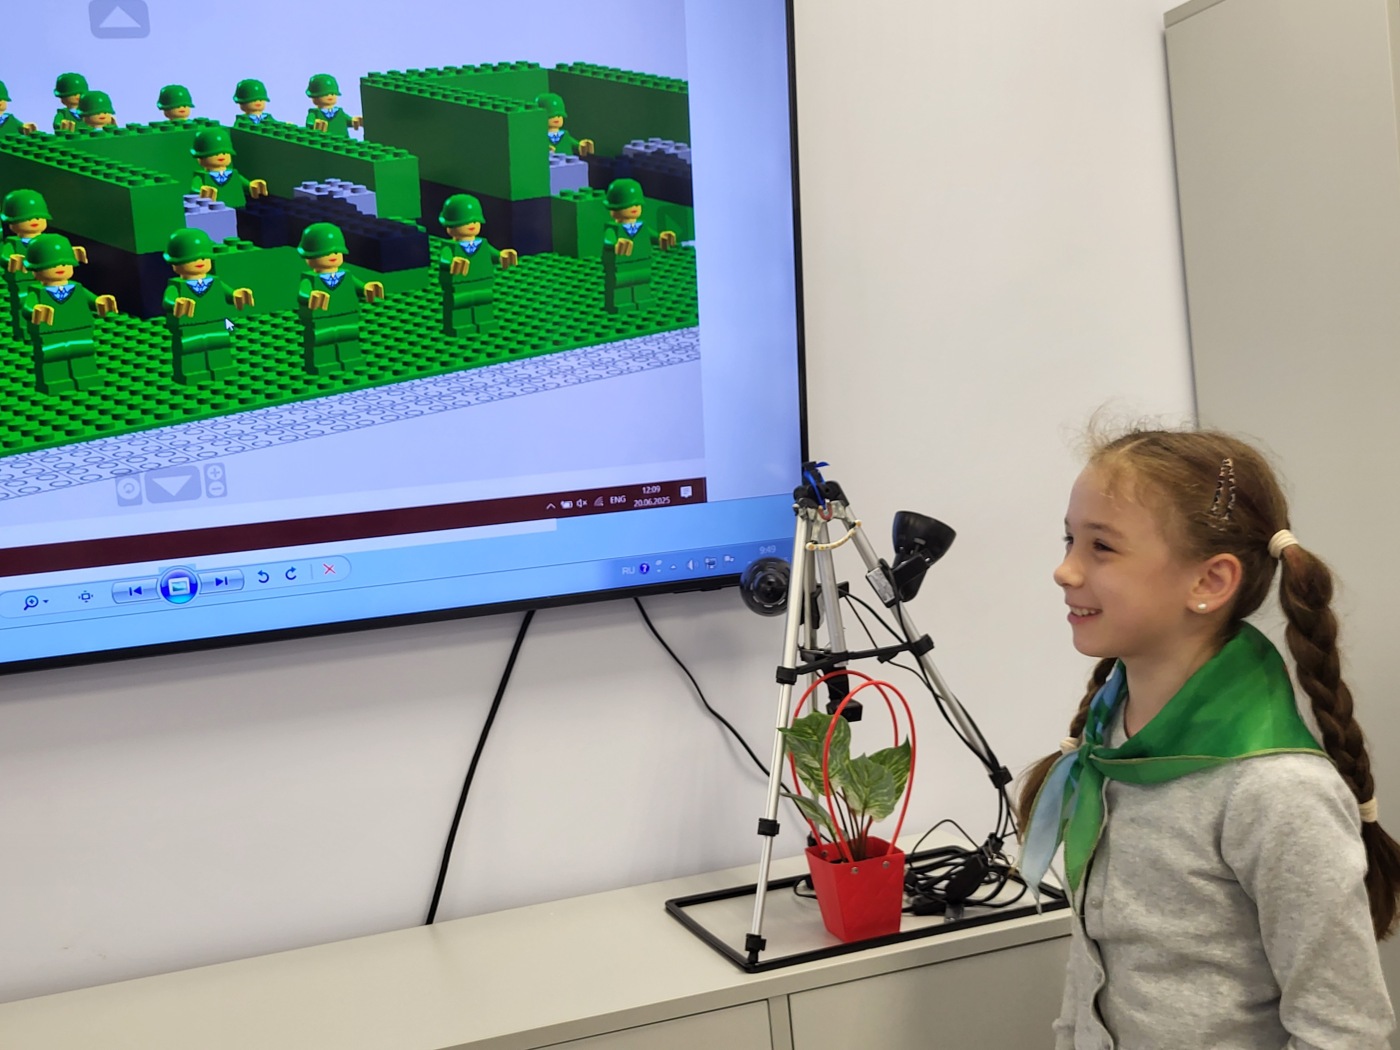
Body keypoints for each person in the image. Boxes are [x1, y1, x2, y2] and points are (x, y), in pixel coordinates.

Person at [1018, 427, 1398, 1049]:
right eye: (1070, 539)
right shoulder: (1109, 739)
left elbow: (1346, 1034)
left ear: (1209, 582)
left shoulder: (1275, 791)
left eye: (1102, 547)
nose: (1065, 570)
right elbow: (1092, 979)